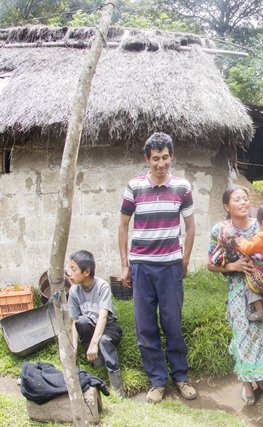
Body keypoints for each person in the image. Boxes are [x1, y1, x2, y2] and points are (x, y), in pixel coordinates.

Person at [118, 132, 197, 403]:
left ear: (171, 157)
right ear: (147, 159)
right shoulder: (134, 187)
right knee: (145, 326)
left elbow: (190, 226)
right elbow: (123, 226)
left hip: (170, 267)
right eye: (155, 159)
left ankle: (181, 377)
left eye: (165, 158)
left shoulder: (182, 187)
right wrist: (125, 265)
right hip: (141, 267)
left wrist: (184, 260)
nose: (160, 164)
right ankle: (157, 381)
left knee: (172, 322)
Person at [208, 185, 263, 406]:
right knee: (244, 333)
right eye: (237, 200)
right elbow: (211, 264)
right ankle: (246, 383)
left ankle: (261, 378)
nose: (243, 203)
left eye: (245, 199)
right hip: (238, 288)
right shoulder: (221, 230)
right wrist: (233, 266)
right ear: (227, 206)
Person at [67, 250, 123, 396]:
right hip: (90, 327)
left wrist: (94, 343)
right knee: (82, 321)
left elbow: (103, 316)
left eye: (73, 269)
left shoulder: (102, 286)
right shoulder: (74, 291)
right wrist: (73, 347)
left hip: (108, 327)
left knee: (103, 341)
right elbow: (74, 321)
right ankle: (97, 363)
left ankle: (117, 387)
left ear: (86, 271)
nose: (69, 273)